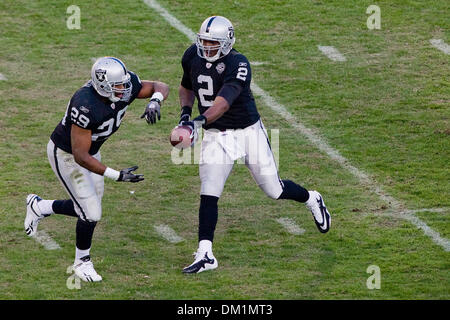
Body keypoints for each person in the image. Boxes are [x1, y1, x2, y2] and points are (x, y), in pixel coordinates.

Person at [177, 16, 332, 274]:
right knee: (209, 190)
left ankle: (312, 198)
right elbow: (186, 87)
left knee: (274, 189)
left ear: (226, 43)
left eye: (212, 42)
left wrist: (197, 121)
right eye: (203, 40)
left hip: (248, 132)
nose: (206, 46)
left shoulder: (238, 63)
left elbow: (223, 103)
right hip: (216, 135)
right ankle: (206, 253)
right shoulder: (192, 55)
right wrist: (185, 114)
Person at [24, 57, 169, 282]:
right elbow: (80, 155)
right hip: (68, 155)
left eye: (124, 84)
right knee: (90, 212)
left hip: (90, 152)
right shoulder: (85, 104)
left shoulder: (124, 85)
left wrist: (155, 101)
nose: (125, 89)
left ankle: (39, 207)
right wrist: (117, 175)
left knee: (89, 207)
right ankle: (81, 263)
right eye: (118, 86)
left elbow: (159, 86)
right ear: (102, 85)